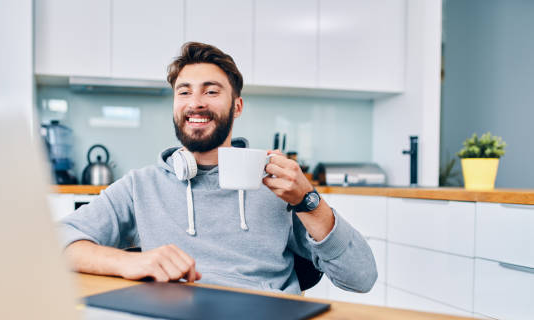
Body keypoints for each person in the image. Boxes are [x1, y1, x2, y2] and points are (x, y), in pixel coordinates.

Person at [60, 42, 377, 295]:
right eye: (184, 92)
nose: (195, 102)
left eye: (211, 91)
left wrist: (308, 200)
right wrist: (129, 262)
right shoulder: (141, 186)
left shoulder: (279, 186)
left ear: (236, 106)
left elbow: (361, 278)